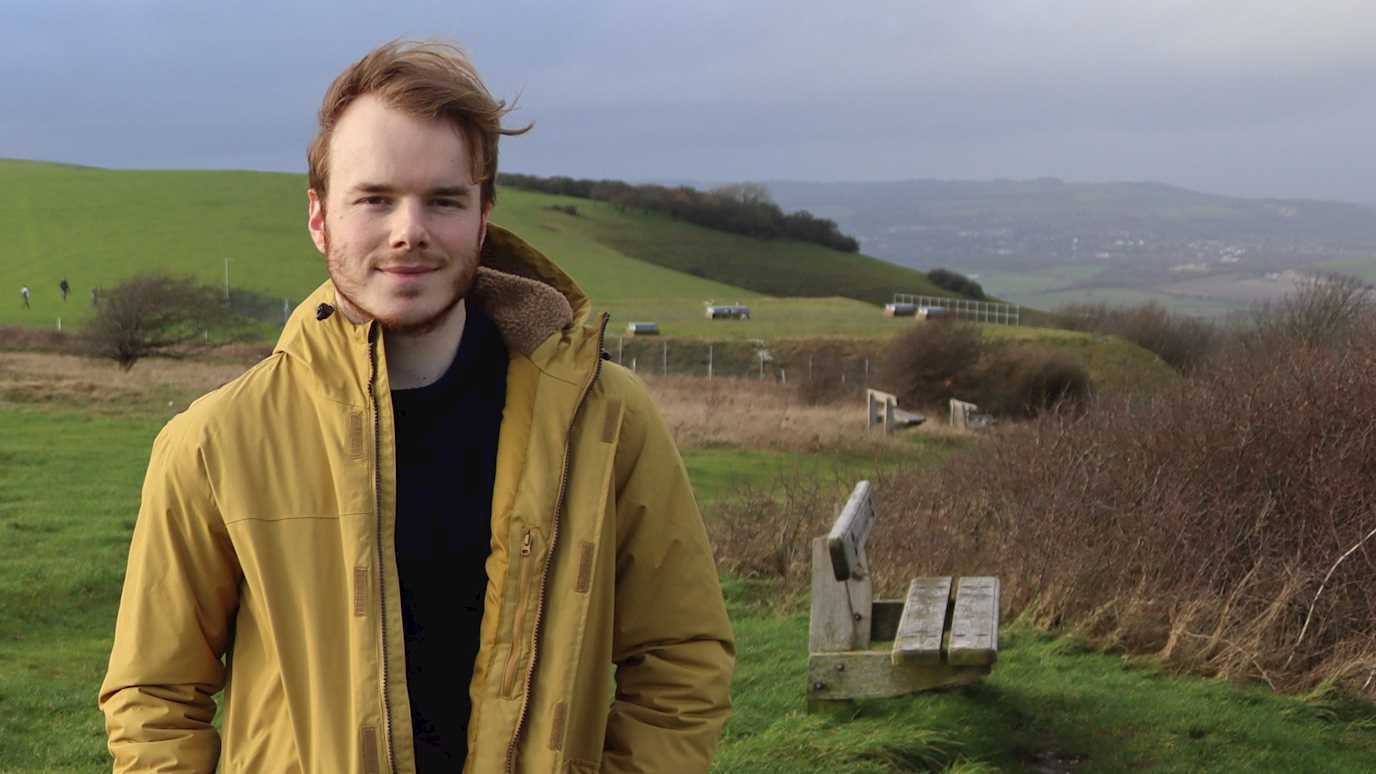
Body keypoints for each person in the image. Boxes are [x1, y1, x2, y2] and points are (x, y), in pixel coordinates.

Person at [99, 39, 734, 773]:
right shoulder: (214, 442)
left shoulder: (605, 420)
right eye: (375, 198)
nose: (409, 230)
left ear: (483, 216)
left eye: (443, 200)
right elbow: (154, 697)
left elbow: (682, 657)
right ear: (319, 217)